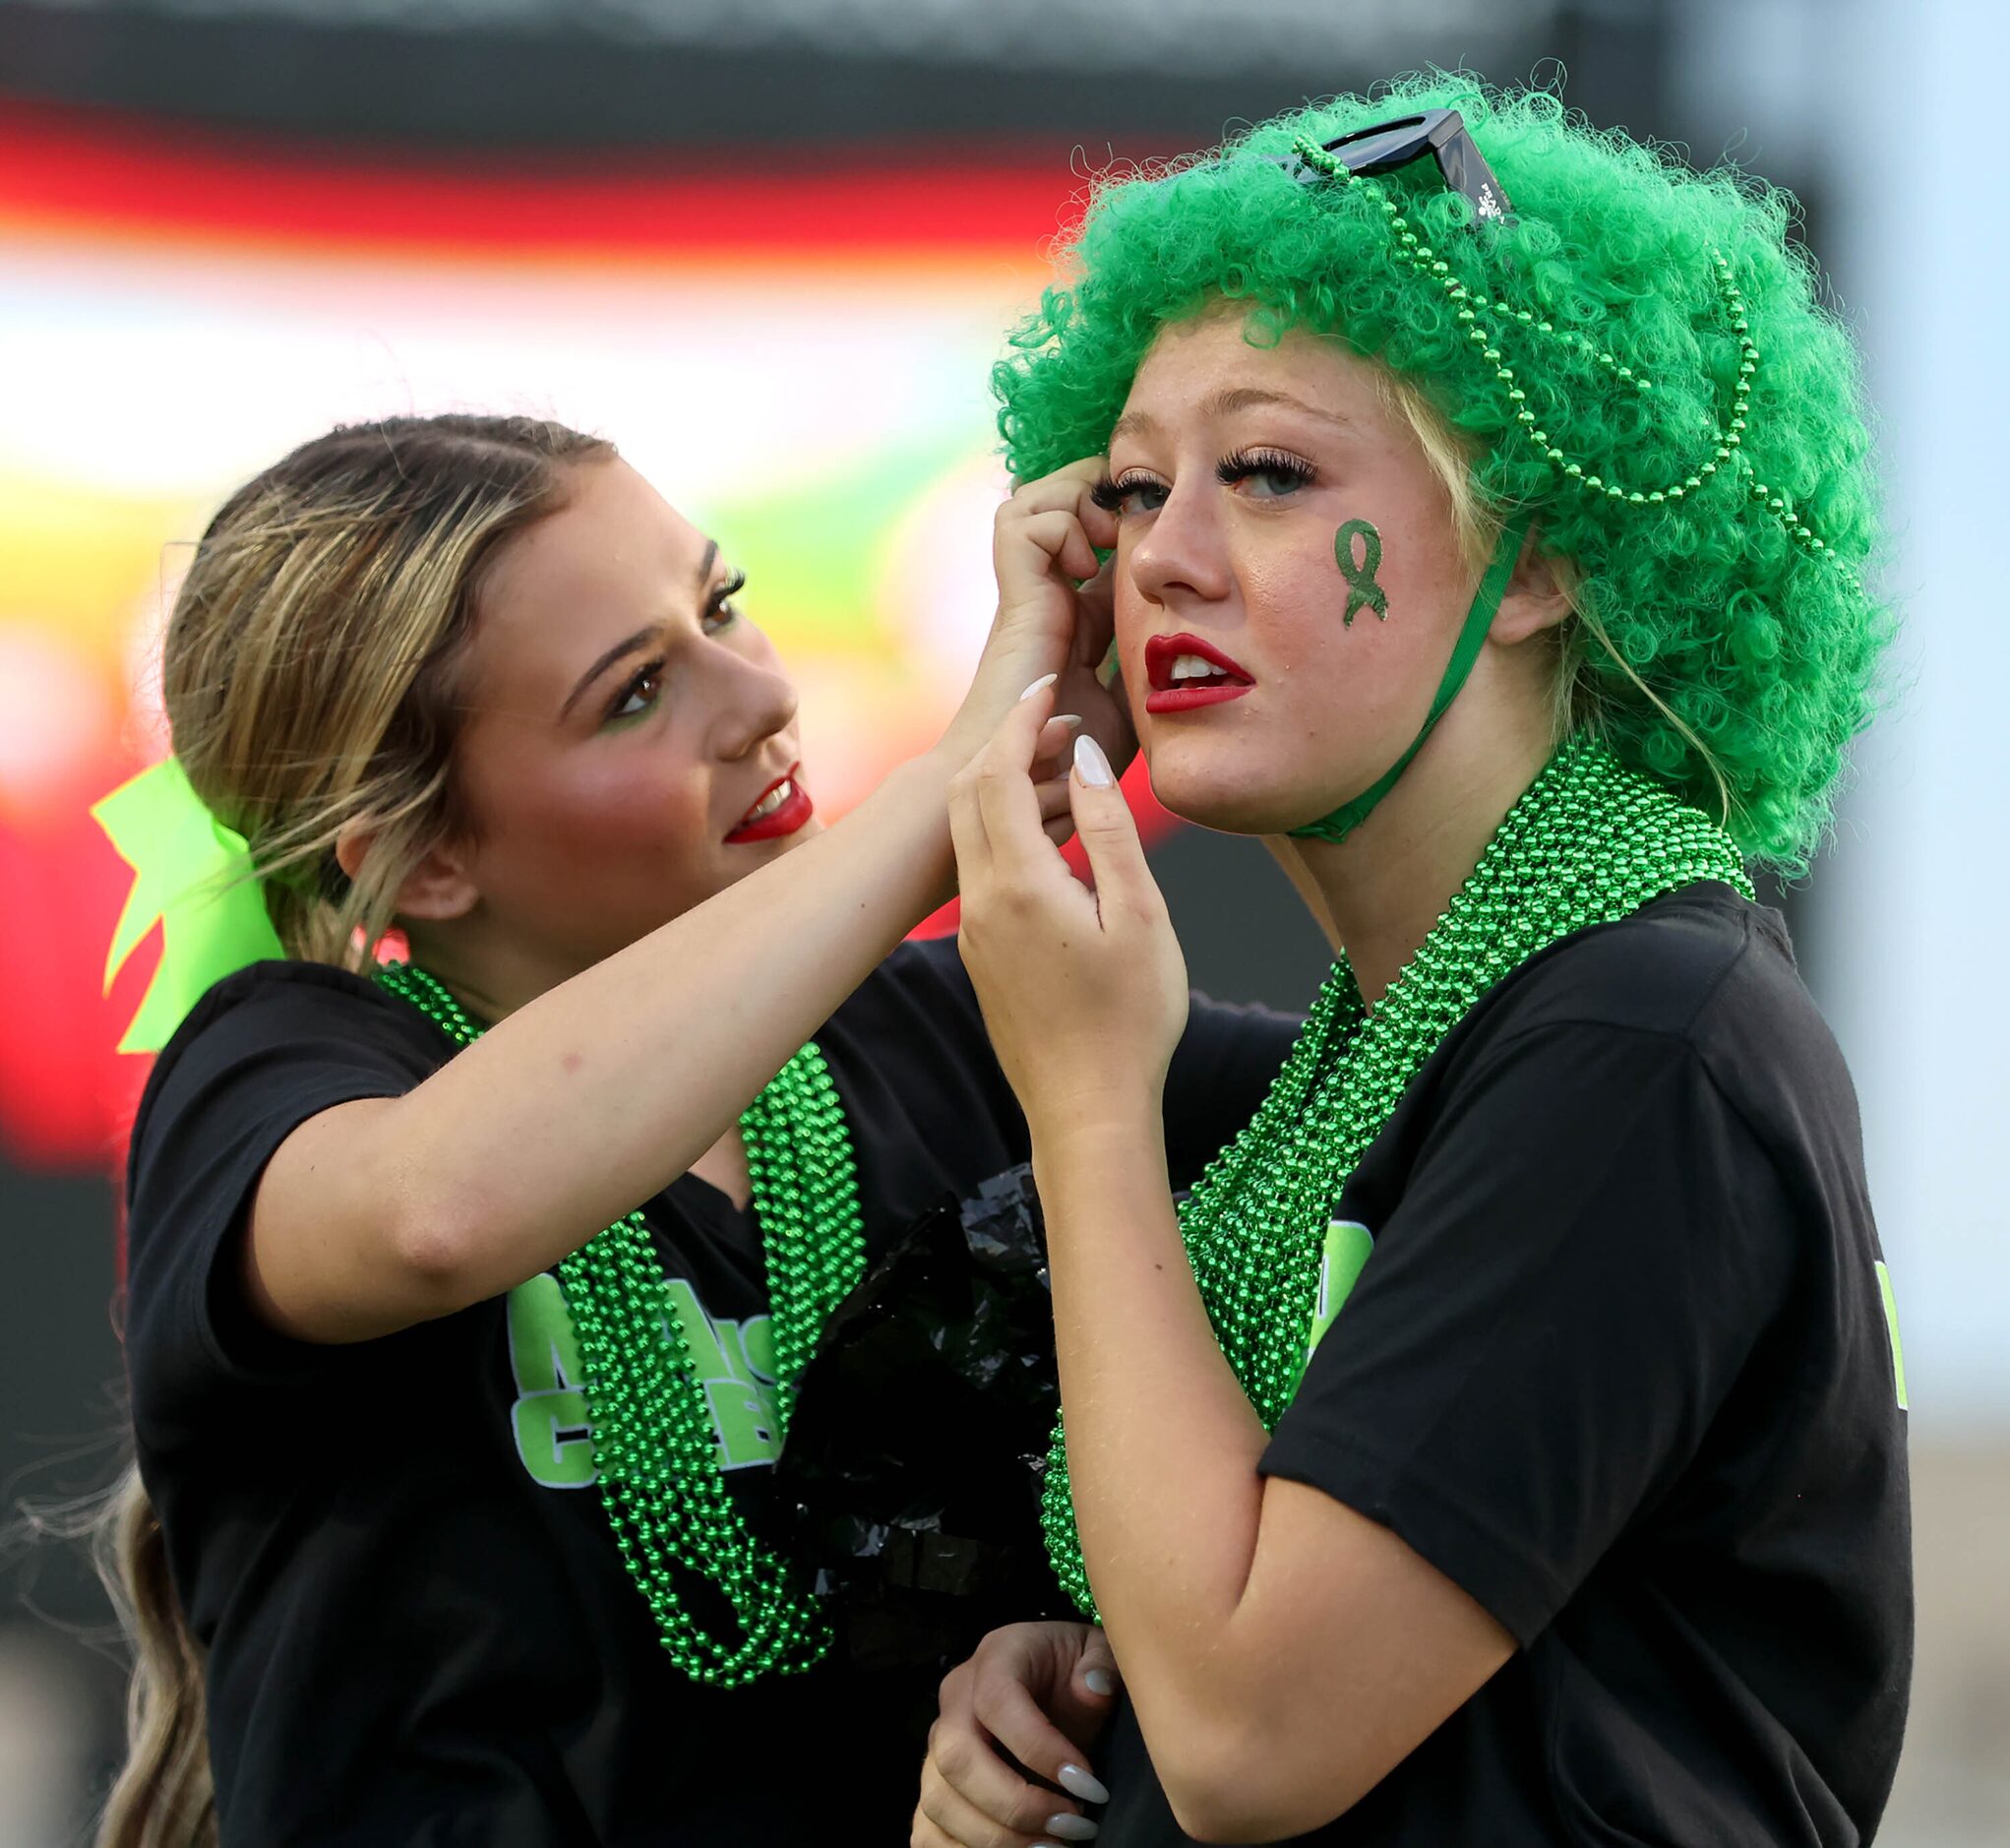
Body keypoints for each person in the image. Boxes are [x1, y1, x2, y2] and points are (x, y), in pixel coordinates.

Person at [919, 79, 1909, 1847]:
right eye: (1135, 489)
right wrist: (1083, 1670)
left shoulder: (1642, 1037)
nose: (1168, 559)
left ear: (1537, 557)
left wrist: (1087, 1111)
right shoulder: (1395, 1037)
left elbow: (1249, 1737)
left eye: (1273, 474)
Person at [91, 412, 1298, 1846]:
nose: (754, 695)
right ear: (425, 858)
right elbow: (439, 1210)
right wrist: (954, 787)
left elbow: (1433, 1091)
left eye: (720, 604)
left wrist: (1044, 1650)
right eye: (636, 692)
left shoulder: (966, 1029)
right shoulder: (283, 1070)